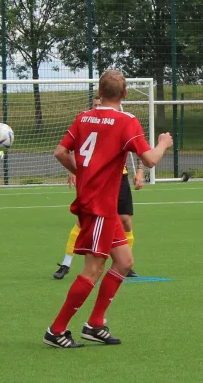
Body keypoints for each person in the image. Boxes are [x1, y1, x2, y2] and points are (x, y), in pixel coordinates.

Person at [43, 70, 172, 348]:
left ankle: (95, 324)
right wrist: (162, 143)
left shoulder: (83, 117)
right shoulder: (127, 121)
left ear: (99, 92)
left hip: (102, 204)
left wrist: (81, 171)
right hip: (99, 205)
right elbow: (149, 160)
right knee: (93, 268)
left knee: (124, 262)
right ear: (124, 94)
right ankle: (56, 330)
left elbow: (60, 152)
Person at [53, 96, 144, 280]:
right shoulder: (86, 120)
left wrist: (140, 171)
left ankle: (125, 264)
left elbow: (140, 149)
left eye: (99, 104)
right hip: (96, 181)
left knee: (125, 220)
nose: (97, 107)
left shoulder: (122, 122)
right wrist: (76, 171)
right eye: (94, 105)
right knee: (82, 224)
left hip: (120, 178)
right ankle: (66, 263)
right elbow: (72, 149)